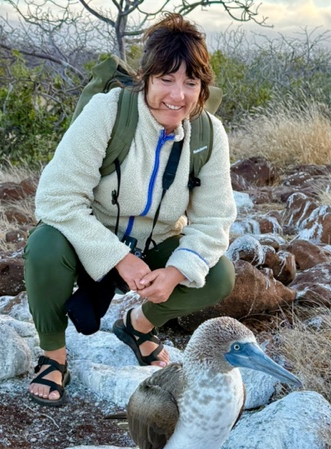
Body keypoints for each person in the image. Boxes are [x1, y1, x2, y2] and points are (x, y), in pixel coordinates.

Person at [23, 13, 237, 407]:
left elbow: (213, 220)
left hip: (154, 244)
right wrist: (119, 258)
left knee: (219, 275)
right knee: (44, 245)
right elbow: (56, 198)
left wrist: (175, 271)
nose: (178, 95)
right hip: (91, 239)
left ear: (203, 87)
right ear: (147, 78)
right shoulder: (109, 112)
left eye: (191, 82)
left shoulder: (209, 133)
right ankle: (53, 353)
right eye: (166, 79)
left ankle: (138, 326)